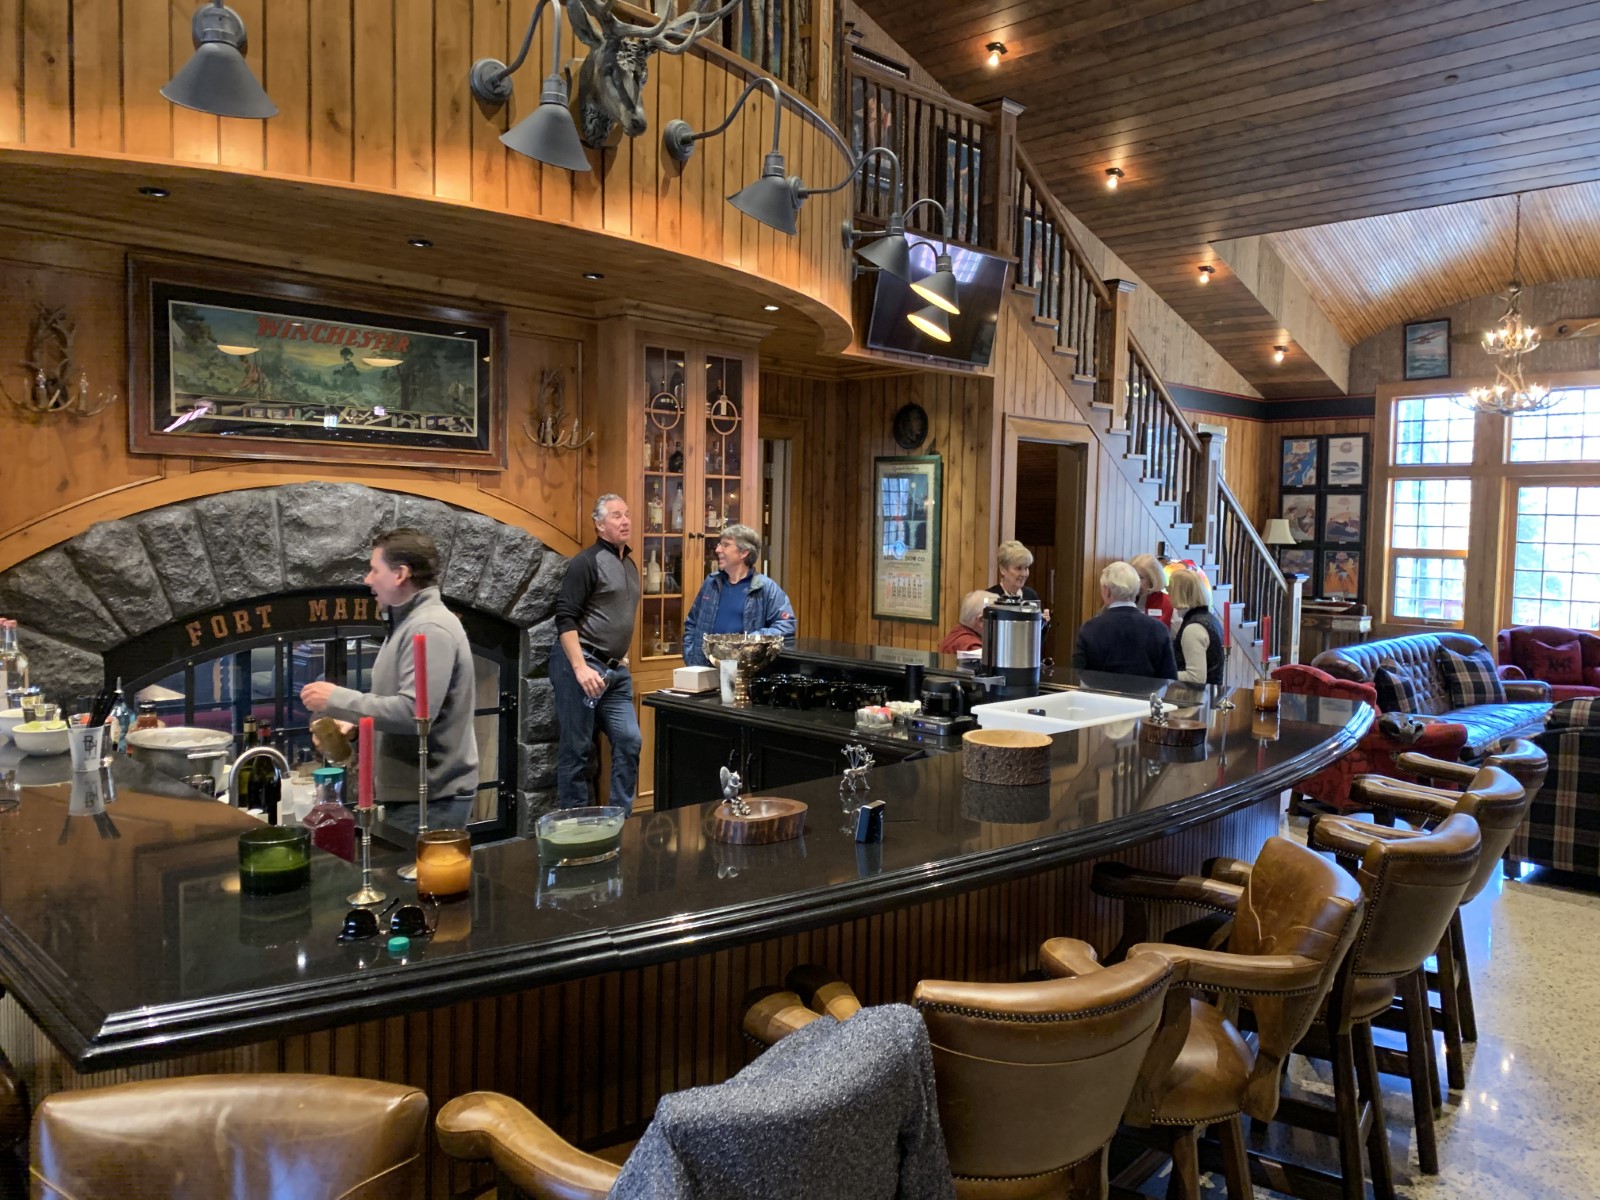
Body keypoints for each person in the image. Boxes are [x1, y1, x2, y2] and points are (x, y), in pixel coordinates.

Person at [300, 528, 479, 833]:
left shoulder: (430, 628)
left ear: (400, 574)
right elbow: (399, 700)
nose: (367, 580)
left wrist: (336, 699)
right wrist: (356, 723)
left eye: (374, 570)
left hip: (430, 799)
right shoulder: (409, 624)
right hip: (414, 795)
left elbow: (415, 713)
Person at [551, 494, 643, 813]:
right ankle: (575, 825)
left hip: (615, 672)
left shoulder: (629, 564)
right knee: (577, 750)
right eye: (616, 516)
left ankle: (621, 818)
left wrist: (621, 654)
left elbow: (620, 615)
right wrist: (580, 669)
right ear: (600, 525)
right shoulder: (586, 562)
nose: (625, 521)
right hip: (582, 666)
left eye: (627, 514)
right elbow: (565, 618)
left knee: (630, 740)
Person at [681, 524, 797, 666]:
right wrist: (690, 655)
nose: (717, 550)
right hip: (705, 668)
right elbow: (692, 622)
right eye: (719, 544)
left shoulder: (766, 588)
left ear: (744, 552)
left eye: (725, 545)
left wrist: (752, 640)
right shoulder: (711, 583)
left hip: (745, 670)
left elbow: (786, 626)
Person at [1071, 561, 1178, 680]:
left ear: (1106, 590)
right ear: (1136, 589)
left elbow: (1077, 675)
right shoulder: (1159, 629)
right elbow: (1169, 678)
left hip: (1101, 691)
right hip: (1145, 692)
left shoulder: (1090, 628)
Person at [1168, 568, 1224, 687]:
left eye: (1170, 589)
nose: (1168, 593)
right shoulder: (1209, 618)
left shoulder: (1193, 629)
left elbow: (1196, 678)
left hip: (1196, 696)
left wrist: (1163, 673)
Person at [988, 540, 1051, 625]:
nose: (1024, 574)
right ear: (1003, 569)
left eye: (1026, 568)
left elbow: (1038, 632)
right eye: (1019, 568)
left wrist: (1043, 623)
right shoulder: (990, 597)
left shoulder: (1031, 595)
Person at [1130, 554, 1172, 628]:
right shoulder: (1124, 599)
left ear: (1153, 579)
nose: (1135, 581)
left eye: (1140, 577)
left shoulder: (1170, 603)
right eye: (1132, 576)